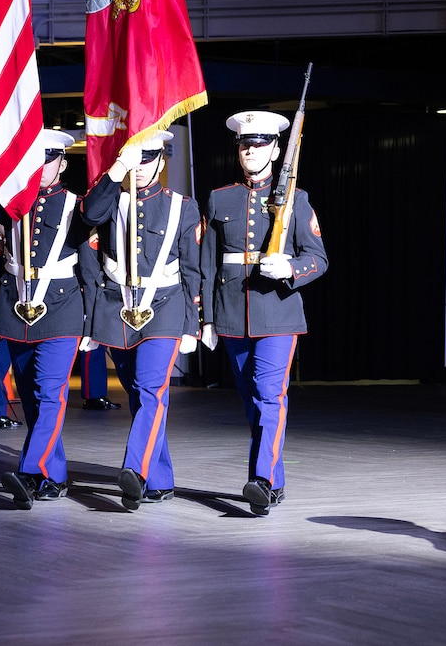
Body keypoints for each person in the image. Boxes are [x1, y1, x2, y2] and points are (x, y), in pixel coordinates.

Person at [200, 110, 329, 515]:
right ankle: (274, 478)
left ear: (275, 150)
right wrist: (205, 318)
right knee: (252, 401)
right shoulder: (221, 198)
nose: (250, 151)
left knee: (270, 396)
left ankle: (262, 481)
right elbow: (207, 263)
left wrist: (290, 268)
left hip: (277, 312)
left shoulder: (298, 199)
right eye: (244, 144)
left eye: (258, 144)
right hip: (233, 312)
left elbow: (319, 258)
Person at [81, 131, 202, 511]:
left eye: (147, 159)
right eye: (135, 159)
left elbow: (194, 269)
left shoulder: (182, 206)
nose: (140, 167)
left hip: (165, 307)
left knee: (151, 390)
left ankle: (133, 470)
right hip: (118, 307)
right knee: (137, 393)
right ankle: (159, 478)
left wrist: (193, 324)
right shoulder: (112, 199)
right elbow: (88, 215)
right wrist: (118, 168)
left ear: (162, 162)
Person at [0, 129, 87, 508]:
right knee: (32, 399)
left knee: (49, 394)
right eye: (35, 158)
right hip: (17, 310)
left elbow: (88, 266)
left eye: (50, 158)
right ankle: (53, 477)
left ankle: (30, 470)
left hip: (61, 309)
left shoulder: (77, 204)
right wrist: (5, 166)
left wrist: (92, 321)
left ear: (63, 162)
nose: (42, 166)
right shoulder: (11, 200)